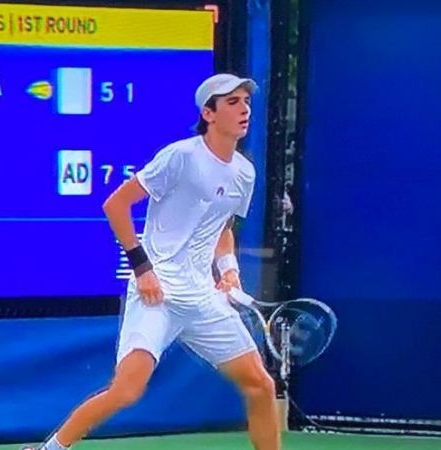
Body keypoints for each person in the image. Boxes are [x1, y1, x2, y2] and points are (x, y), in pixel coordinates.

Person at [23, 74, 280, 450]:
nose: (244, 110)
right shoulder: (180, 157)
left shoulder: (244, 172)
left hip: (203, 298)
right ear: (208, 113)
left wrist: (229, 273)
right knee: (127, 390)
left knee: (261, 385)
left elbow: (221, 227)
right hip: (156, 293)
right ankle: (49, 449)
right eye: (232, 103)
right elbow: (115, 205)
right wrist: (143, 269)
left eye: (246, 102)